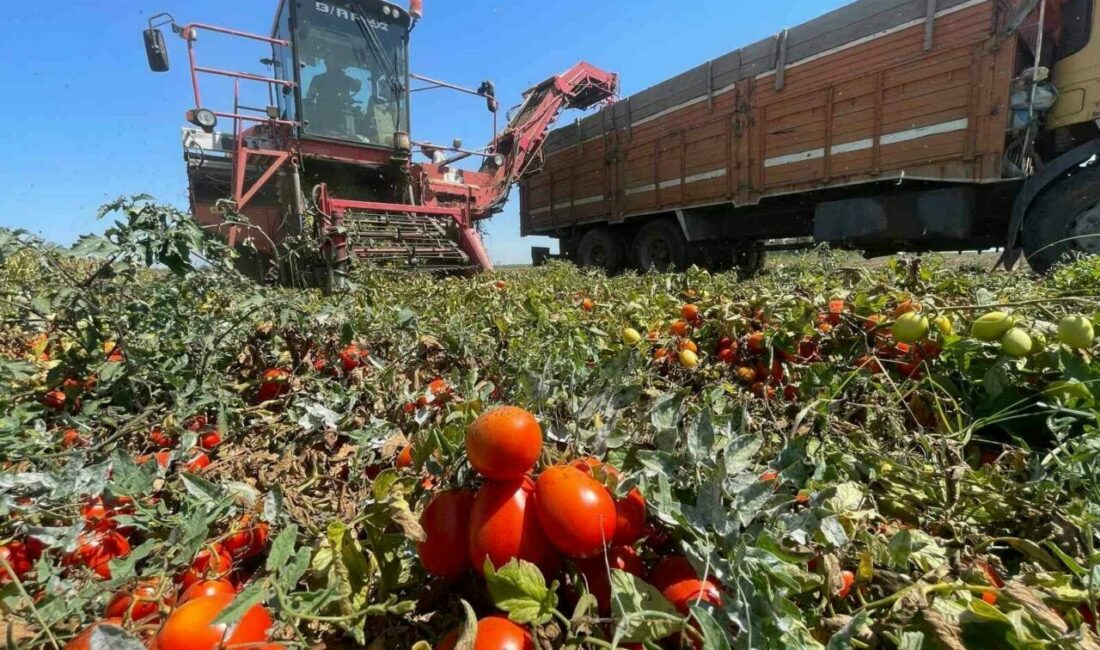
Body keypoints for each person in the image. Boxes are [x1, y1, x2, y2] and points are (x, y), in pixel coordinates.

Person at [305, 60, 363, 138]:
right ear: (327, 63)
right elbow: (310, 97)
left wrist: (357, 85)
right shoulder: (318, 79)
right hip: (323, 118)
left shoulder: (347, 80)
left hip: (342, 120)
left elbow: (356, 87)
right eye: (336, 61)